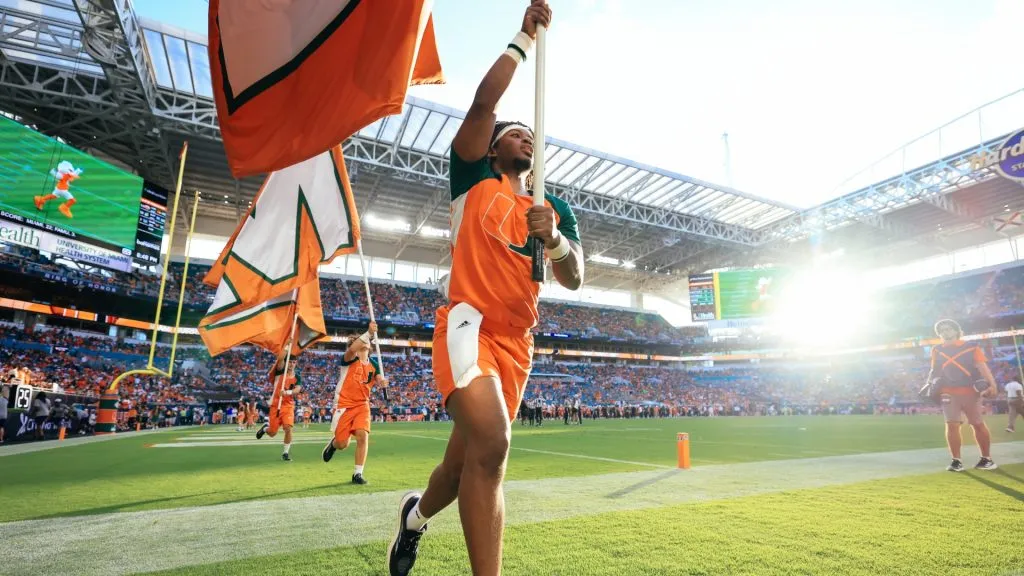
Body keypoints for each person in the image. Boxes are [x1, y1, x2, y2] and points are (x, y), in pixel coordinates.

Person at [386, 3, 584, 574]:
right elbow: (483, 103)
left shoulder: (554, 208)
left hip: (516, 344)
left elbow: (574, 278)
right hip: (468, 322)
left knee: (461, 468)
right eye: (512, 134)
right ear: (494, 148)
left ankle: (413, 519)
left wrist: (556, 243)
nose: (523, 136)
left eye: (530, 134)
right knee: (495, 446)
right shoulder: (470, 178)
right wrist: (524, 37)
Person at [927, 319, 998, 472]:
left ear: (956, 331)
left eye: (949, 329)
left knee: (977, 423)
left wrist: (992, 384)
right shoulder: (936, 350)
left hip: (970, 391)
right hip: (947, 392)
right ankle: (956, 461)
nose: (945, 332)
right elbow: (934, 370)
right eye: (942, 330)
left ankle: (986, 459)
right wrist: (929, 385)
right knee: (951, 424)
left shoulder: (972, 347)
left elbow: (982, 366)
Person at [322, 322, 388, 485]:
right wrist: (368, 333)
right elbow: (352, 350)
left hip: (362, 405)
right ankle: (334, 444)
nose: (363, 344)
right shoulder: (348, 359)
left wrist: (382, 382)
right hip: (344, 404)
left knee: (362, 435)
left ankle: (357, 473)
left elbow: (379, 380)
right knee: (342, 443)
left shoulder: (374, 364)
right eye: (359, 342)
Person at [255, 353, 303, 461]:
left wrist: (287, 392)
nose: (291, 364)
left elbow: (298, 389)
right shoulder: (280, 371)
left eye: (294, 362)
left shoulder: (297, 376)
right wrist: (286, 346)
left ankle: (285, 453)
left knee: (288, 428)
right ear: (286, 362)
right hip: (276, 405)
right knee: (272, 433)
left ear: (296, 363)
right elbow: (280, 359)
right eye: (289, 362)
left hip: (288, 405)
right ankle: (265, 428)